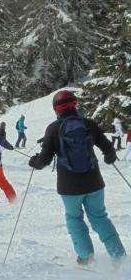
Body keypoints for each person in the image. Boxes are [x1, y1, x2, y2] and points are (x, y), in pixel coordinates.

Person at [29, 90, 126, 267]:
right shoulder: (88, 124)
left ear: (56, 109)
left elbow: (44, 160)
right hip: (94, 182)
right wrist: (109, 156)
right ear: (75, 105)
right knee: (100, 217)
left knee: (74, 219)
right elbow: (108, 148)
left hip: (69, 187)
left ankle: (85, 257)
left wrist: (34, 162)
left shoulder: (53, 128)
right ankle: (118, 256)